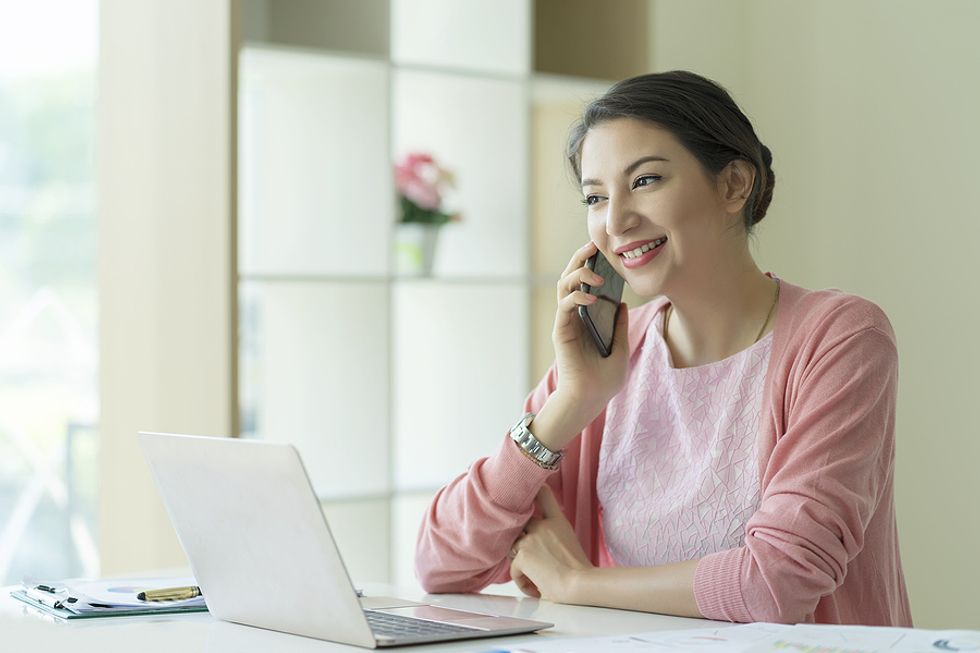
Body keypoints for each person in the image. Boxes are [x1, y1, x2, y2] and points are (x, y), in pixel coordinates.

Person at [414, 70, 912, 626]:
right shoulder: (603, 362)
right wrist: (569, 406)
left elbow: (776, 585)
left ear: (733, 186)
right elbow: (440, 564)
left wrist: (578, 583)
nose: (616, 220)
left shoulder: (840, 338)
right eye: (595, 197)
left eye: (645, 181)